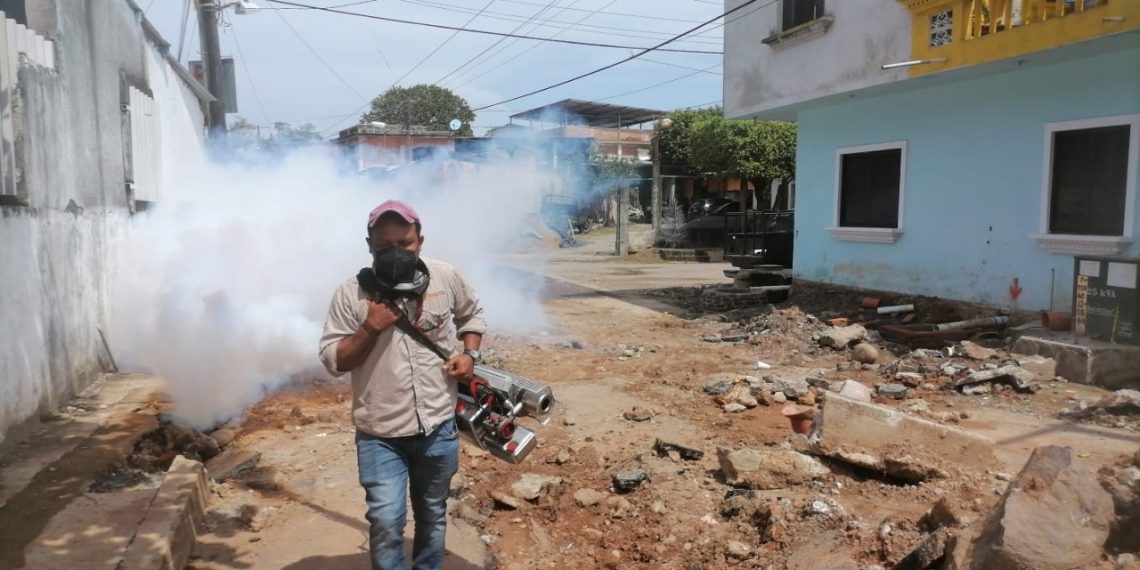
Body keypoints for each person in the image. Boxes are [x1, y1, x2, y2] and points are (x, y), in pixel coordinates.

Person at [319, 199, 486, 570]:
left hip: (438, 427)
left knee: (432, 513)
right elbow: (334, 361)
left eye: (405, 244)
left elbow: (472, 314)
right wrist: (369, 327)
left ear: (420, 241)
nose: (396, 254)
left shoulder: (445, 277)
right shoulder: (351, 294)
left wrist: (469, 355)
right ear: (369, 246)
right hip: (380, 434)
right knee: (385, 523)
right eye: (383, 247)